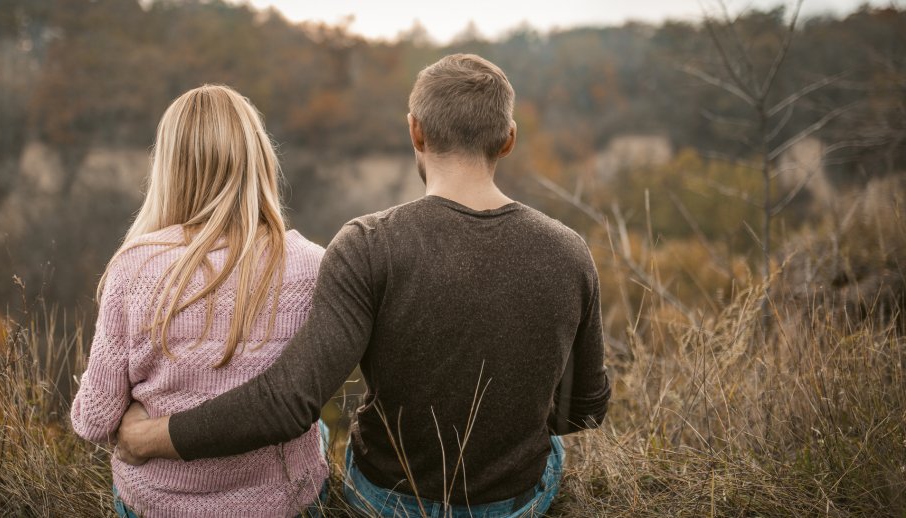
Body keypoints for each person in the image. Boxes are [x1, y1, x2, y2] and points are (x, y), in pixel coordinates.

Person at [116, 54, 611, 517]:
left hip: (385, 497)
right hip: (512, 500)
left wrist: (147, 438)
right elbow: (585, 411)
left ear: (416, 131)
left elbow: (290, 404)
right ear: (508, 139)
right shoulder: (567, 251)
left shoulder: (369, 245)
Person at [69, 84, 328, 518]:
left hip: (159, 504)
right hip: (284, 503)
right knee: (317, 430)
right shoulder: (313, 265)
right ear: (259, 160)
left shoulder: (135, 268)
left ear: (168, 168)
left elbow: (95, 420)